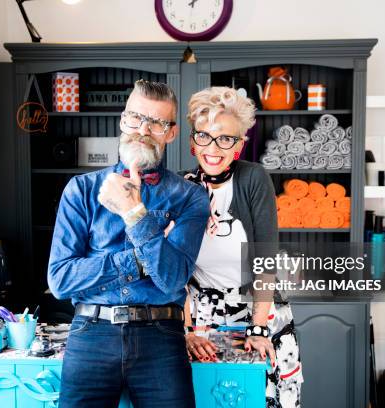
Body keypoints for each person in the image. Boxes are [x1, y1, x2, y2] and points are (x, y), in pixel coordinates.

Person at [48, 80, 209, 408]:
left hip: (161, 336)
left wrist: (134, 214)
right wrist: (140, 259)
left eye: (157, 123)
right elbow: (61, 280)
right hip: (90, 333)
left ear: (171, 133)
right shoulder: (80, 190)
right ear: (123, 121)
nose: (143, 130)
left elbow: (171, 278)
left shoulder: (190, 197)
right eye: (136, 118)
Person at [181, 87, 304, 407]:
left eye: (226, 139)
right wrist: (188, 330)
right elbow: (179, 273)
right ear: (193, 140)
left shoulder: (253, 178)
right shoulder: (182, 187)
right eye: (205, 136)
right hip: (205, 324)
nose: (214, 147)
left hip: (259, 314)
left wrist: (259, 329)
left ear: (239, 144)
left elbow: (265, 260)